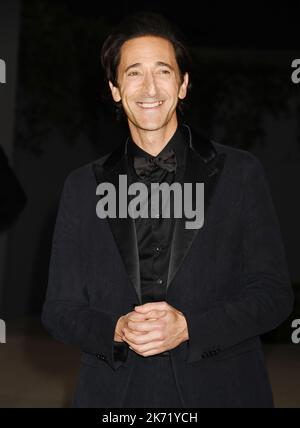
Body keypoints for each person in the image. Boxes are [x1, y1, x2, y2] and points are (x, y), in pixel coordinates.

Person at [41, 12, 294, 408]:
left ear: (183, 85)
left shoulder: (241, 173)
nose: (149, 87)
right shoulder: (81, 186)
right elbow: (58, 310)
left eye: (163, 71)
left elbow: (274, 294)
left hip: (225, 390)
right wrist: (117, 328)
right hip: (115, 396)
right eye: (133, 73)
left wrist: (191, 327)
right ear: (114, 88)